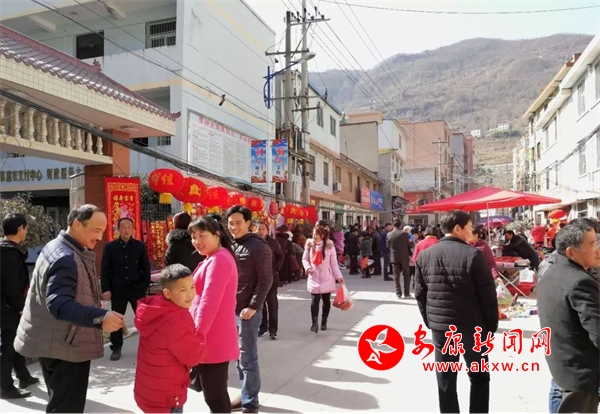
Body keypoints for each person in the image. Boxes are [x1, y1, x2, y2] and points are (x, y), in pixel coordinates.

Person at [14, 204, 124, 413]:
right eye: (96, 230)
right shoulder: (66, 257)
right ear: (77, 224)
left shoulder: (58, 246)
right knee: (67, 408)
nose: (100, 237)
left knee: (59, 403)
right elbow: (59, 303)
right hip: (66, 346)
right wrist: (100, 317)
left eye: (102, 231)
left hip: (55, 340)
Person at [414, 210, 498, 413]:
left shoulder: (425, 255)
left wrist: (431, 321)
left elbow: (420, 294)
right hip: (472, 327)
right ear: (458, 228)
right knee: (479, 376)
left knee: (446, 378)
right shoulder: (473, 254)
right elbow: (488, 295)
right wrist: (490, 326)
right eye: (469, 227)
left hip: (442, 328)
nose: (472, 231)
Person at [538, 220, 599, 413]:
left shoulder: (550, 272)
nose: (597, 249)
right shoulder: (581, 282)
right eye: (592, 244)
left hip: (561, 364)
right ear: (571, 252)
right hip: (580, 373)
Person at [134, 264, 203, 414]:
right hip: (168, 397)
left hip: (148, 390)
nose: (190, 294)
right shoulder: (178, 319)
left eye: (192, 287)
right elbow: (192, 357)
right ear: (167, 293)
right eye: (183, 290)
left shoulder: (154, 307)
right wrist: (201, 340)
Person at [188, 215, 240, 413]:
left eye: (202, 236)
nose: (197, 241)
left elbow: (209, 302)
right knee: (214, 394)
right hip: (211, 334)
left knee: (215, 396)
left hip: (212, 336)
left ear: (217, 235)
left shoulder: (219, 260)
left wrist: (198, 334)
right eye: (193, 237)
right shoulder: (213, 258)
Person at [226, 206, 273, 413]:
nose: (234, 227)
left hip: (247, 311)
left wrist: (254, 306)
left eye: (238, 223)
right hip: (230, 308)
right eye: (231, 223)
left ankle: (250, 403)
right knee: (238, 357)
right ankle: (245, 394)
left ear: (248, 223)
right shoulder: (229, 245)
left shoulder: (258, 246)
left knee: (247, 358)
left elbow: (266, 279)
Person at [101, 217, 151, 361]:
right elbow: (105, 269)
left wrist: (145, 284)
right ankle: (116, 347)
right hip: (118, 288)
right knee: (116, 318)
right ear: (118, 229)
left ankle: (148, 346)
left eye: (129, 227)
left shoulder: (139, 246)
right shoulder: (110, 247)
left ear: (133, 229)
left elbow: (145, 266)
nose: (126, 230)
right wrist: (106, 289)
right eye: (123, 227)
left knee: (143, 318)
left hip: (137, 287)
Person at [0, 213, 38, 399]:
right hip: (8, 308)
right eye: (25, 228)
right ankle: (5, 386)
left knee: (17, 341)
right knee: (7, 347)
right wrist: (21, 306)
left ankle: (23, 376)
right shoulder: (8, 253)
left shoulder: (8, 249)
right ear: (19, 229)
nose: (26, 231)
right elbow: (11, 285)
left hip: (8, 306)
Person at [302, 226, 345, 333]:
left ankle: (324, 320)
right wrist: (308, 268)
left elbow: (334, 264)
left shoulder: (329, 247)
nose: (314, 236)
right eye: (313, 234)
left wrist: (339, 277)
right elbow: (305, 259)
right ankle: (314, 322)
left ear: (322, 235)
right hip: (314, 277)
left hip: (327, 278)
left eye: (316, 234)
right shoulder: (309, 245)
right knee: (314, 301)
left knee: (326, 301)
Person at [255, 222, 284, 340]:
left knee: (272, 304)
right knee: (260, 304)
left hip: (271, 278)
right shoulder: (253, 243)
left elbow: (281, 256)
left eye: (263, 229)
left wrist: (276, 268)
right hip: (257, 278)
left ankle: (273, 329)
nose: (261, 231)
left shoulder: (273, 242)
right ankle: (263, 327)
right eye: (259, 229)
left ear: (267, 230)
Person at [387, 221, 414, 299]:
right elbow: (411, 245)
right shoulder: (405, 234)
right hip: (404, 258)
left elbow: (388, 246)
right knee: (406, 276)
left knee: (396, 277)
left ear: (393, 225)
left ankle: (398, 293)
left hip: (394, 257)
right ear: (400, 225)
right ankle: (407, 293)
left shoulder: (389, 234)